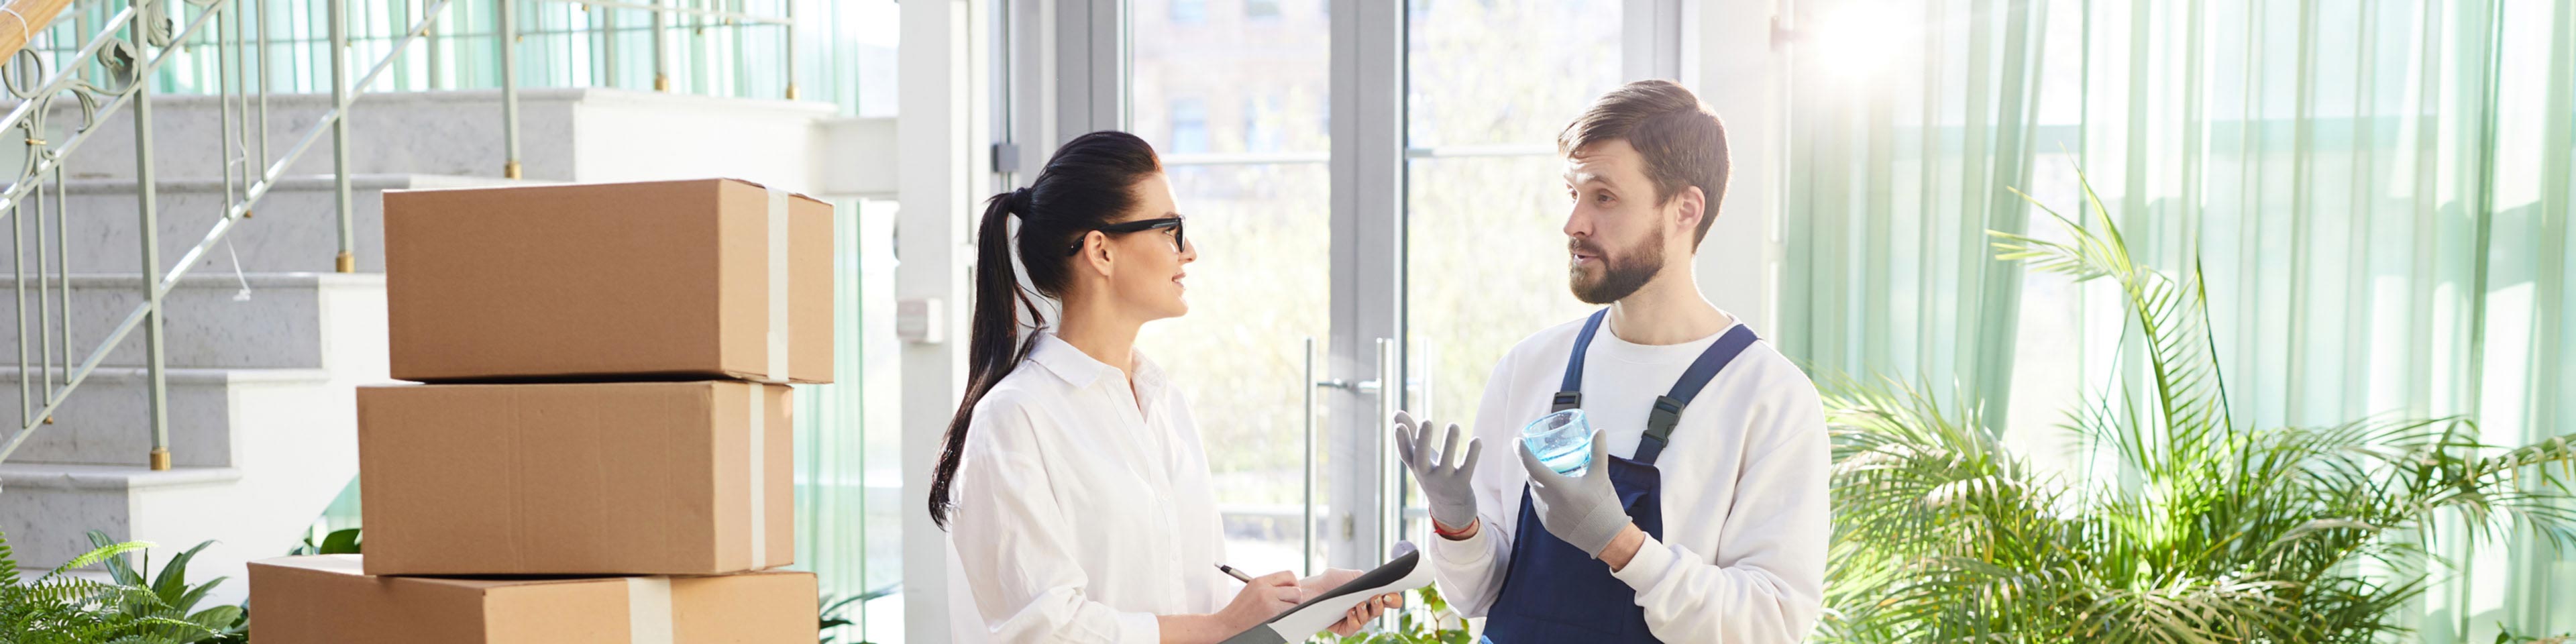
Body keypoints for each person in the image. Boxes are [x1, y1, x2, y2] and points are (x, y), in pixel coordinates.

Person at [1395, 80, 1829, 643]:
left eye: (1604, 197)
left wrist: (1621, 545)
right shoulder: (1529, 367)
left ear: (1684, 210)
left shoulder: (1767, 398)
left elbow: (1770, 623)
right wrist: (1457, 523)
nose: (1575, 223)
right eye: (1571, 194)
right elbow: (1477, 594)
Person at [934, 131, 1399, 644]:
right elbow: (1045, 630)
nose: (1190, 251)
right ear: (1101, 251)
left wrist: (1303, 602)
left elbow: (1196, 601)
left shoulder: (1163, 402)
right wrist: (1222, 625)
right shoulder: (1015, 419)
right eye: (1170, 230)